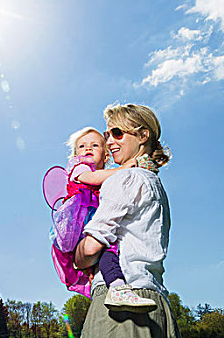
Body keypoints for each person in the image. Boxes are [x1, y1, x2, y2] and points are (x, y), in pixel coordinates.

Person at [75, 103, 180, 337]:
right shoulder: (154, 183)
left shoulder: (126, 178)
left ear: (143, 135)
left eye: (117, 133)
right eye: (107, 135)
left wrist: (74, 256)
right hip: (157, 303)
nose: (109, 142)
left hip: (121, 310)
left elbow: (91, 248)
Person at [50, 127, 157, 312]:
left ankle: (116, 287)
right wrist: (125, 168)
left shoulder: (107, 178)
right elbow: (91, 178)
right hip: (76, 225)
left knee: (108, 251)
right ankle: (115, 286)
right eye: (82, 146)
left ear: (106, 156)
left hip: (89, 225)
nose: (87, 149)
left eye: (94, 145)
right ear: (76, 155)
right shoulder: (79, 167)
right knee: (106, 246)